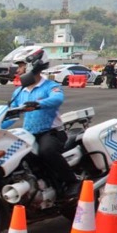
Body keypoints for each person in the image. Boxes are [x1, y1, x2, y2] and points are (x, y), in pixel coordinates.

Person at [8, 47, 79, 198]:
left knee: (46, 151)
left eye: (21, 66)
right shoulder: (20, 91)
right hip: (29, 134)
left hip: (51, 133)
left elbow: (57, 99)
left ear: (32, 65)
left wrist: (39, 104)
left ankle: (72, 182)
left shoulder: (50, 86)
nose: (18, 70)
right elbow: (11, 113)